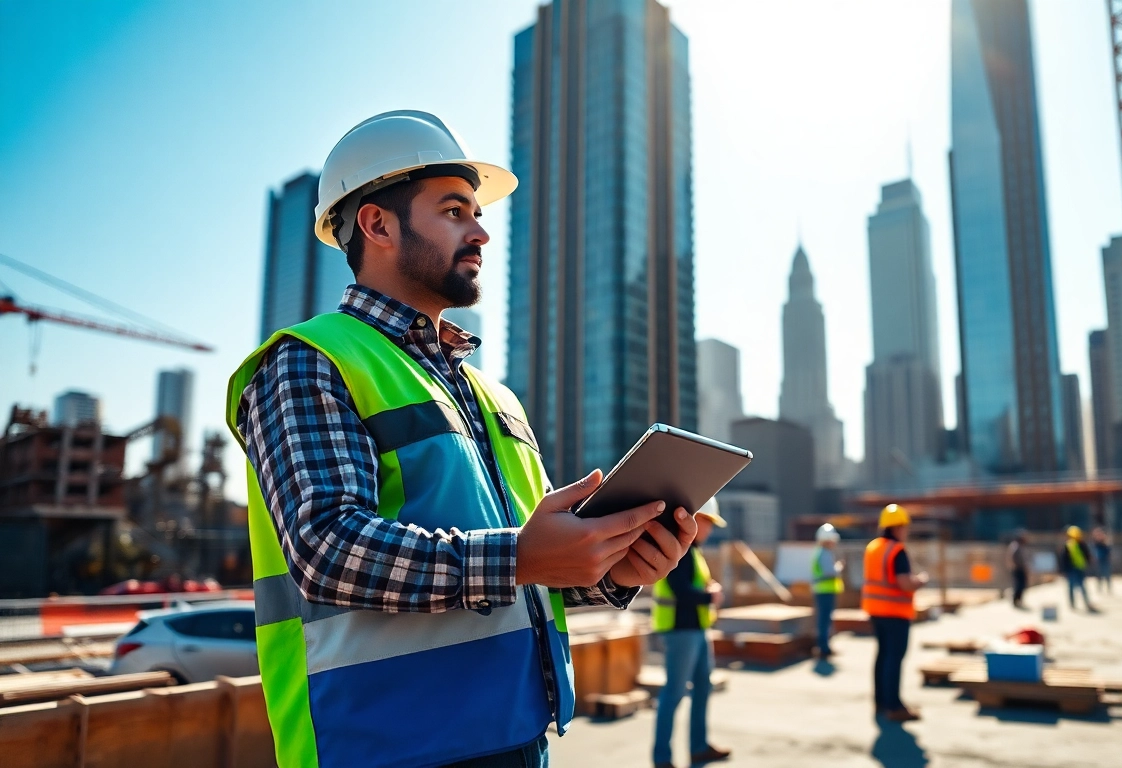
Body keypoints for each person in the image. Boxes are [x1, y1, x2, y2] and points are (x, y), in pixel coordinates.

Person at [226, 111, 697, 768]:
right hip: (380, 747)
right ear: (378, 224)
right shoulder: (311, 362)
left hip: (515, 733)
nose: (480, 233)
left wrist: (613, 568)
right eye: (454, 211)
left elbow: (528, 577)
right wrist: (522, 559)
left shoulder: (492, 397)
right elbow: (325, 547)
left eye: (477, 214)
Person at [651, 499, 732, 768]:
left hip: (696, 629)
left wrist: (708, 590)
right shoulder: (680, 550)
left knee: (702, 689)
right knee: (674, 693)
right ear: (695, 520)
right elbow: (682, 591)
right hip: (680, 630)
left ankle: (698, 746)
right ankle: (662, 758)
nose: (709, 530)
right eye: (708, 523)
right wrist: (710, 596)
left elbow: (693, 585)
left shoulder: (692, 551)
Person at [862, 504, 927, 722]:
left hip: (875, 610)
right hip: (895, 612)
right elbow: (904, 583)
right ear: (898, 527)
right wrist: (920, 581)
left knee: (882, 656)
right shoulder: (896, 550)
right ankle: (894, 706)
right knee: (894, 658)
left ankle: (881, 702)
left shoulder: (873, 547)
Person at [812, 523, 845, 659]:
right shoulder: (824, 553)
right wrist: (839, 567)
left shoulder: (820, 552)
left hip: (822, 590)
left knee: (824, 620)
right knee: (824, 620)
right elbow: (830, 572)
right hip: (825, 591)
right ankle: (824, 648)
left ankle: (824, 646)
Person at [1058, 526, 1095, 612]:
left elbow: (1063, 559)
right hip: (1078, 568)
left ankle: (1073, 604)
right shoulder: (1080, 544)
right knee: (1081, 586)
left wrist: (1063, 570)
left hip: (1073, 569)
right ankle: (1085, 603)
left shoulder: (1069, 545)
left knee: (1073, 587)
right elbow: (1087, 556)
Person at [1006, 531, 1029, 609]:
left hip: (1021, 568)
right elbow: (1012, 558)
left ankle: (1019, 600)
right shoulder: (1015, 546)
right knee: (1018, 585)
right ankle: (1015, 600)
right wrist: (1015, 566)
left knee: (1022, 585)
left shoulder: (1020, 546)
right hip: (1017, 569)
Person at [1092, 526, 1113, 595]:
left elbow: (1109, 551)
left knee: (1107, 575)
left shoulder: (1105, 543)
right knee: (1099, 575)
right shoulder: (1096, 543)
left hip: (1105, 560)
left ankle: (1109, 588)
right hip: (1099, 560)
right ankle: (1099, 588)